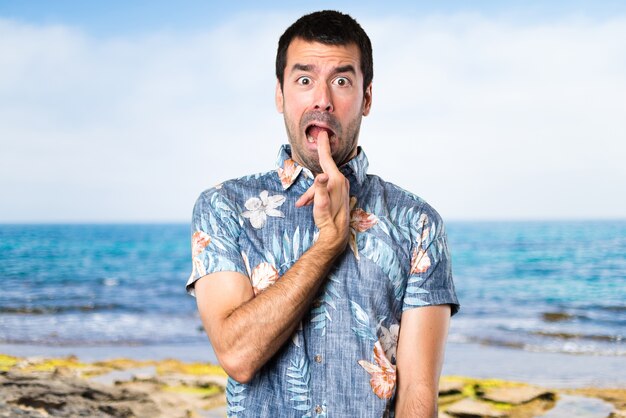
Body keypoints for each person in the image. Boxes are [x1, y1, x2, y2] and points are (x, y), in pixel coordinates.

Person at [186, 10, 459, 418]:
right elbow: (238, 354)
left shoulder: (417, 223)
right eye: (304, 80)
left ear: (366, 98)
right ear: (280, 95)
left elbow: (418, 400)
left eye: (342, 81)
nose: (322, 99)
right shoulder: (224, 208)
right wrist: (328, 244)